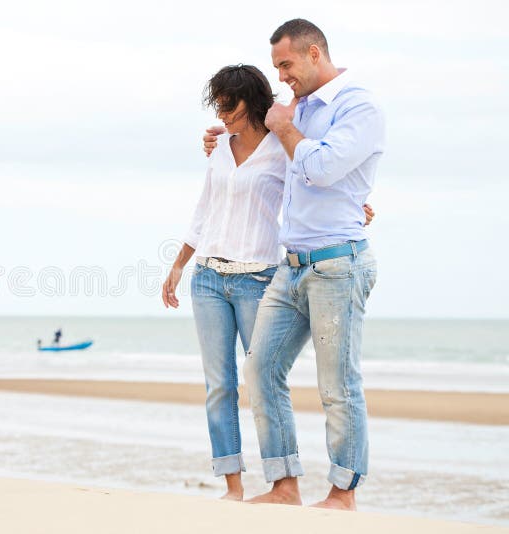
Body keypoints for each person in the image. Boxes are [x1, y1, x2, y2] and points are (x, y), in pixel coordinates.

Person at [163, 64, 374, 501]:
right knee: (219, 385)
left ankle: (283, 483)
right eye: (217, 104)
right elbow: (204, 209)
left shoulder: (282, 146)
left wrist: (357, 205)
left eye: (229, 104)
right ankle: (233, 486)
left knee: (263, 377)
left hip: (257, 278)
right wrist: (179, 264)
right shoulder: (219, 145)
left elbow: (314, 185)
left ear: (252, 102)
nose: (222, 113)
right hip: (207, 277)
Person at [204, 19, 384, 511]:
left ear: (314, 53)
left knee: (338, 384)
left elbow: (323, 168)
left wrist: (284, 127)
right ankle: (284, 486)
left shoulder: (357, 106)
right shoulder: (298, 107)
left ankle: (342, 494)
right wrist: (229, 136)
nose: (281, 76)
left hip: (337, 265)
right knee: (260, 369)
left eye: (286, 64)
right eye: (277, 66)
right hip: (292, 265)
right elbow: (280, 166)